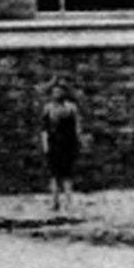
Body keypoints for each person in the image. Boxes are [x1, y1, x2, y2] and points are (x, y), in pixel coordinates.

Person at [40, 83, 82, 212]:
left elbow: (77, 126)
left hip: (67, 144)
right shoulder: (48, 108)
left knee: (67, 175)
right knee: (54, 175)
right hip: (54, 144)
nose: (57, 94)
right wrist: (45, 144)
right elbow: (44, 128)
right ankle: (54, 202)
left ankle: (68, 202)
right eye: (55, 92)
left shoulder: (71, 108)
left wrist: (77, 142)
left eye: (59, 92)